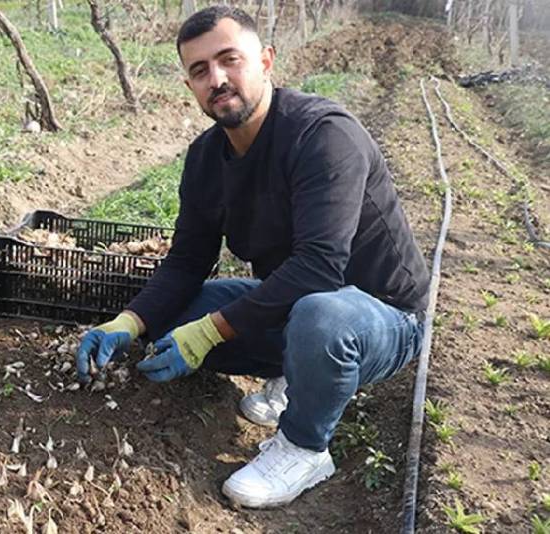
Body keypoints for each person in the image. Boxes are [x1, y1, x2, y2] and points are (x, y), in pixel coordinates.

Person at [75, 6, 429, 508]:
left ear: (265, 61)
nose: (216, 79)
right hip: (294, 309)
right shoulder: (205, 159)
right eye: (200, 70)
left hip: (380, 316)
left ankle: (304, 447)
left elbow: (321, 266)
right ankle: (298, 375)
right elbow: (186, 262)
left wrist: (211, 332)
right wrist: (127, 323)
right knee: (179, 313)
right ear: (190, 85)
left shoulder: (323, 136)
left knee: (321, 314)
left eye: (228, 60)